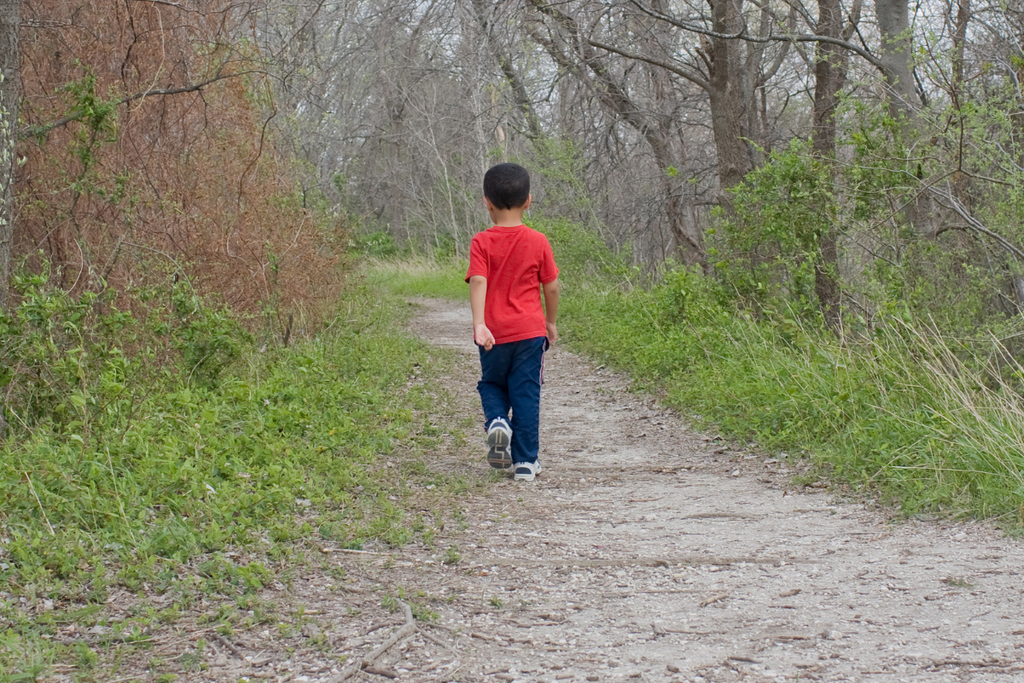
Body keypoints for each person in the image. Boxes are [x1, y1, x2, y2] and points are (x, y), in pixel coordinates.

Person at [466, 162, 560, 482]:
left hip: (494, 333)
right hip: (531, 332)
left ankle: (497, 421)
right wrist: (550, 322)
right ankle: (525, 462)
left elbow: (478, 280)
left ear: (487, 203)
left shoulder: (481, 241)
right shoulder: (538, 241)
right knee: (526, 392)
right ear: (528, 201)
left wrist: (480, 324)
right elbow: (551, 287)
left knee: (492, 384)